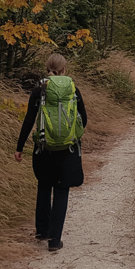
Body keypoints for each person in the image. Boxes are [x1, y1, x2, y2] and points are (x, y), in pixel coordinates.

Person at [15, 52, 87, 252]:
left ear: (47, 68)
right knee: (62, 190)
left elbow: (29, 120)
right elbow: (84, 118)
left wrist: (19, 147)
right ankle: (55, 241)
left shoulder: (39, 89)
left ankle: (42, 231)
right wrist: (73, 134)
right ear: (65, 69)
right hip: (67, 148)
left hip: (43, 148)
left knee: (44, 186)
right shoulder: (73, 89)